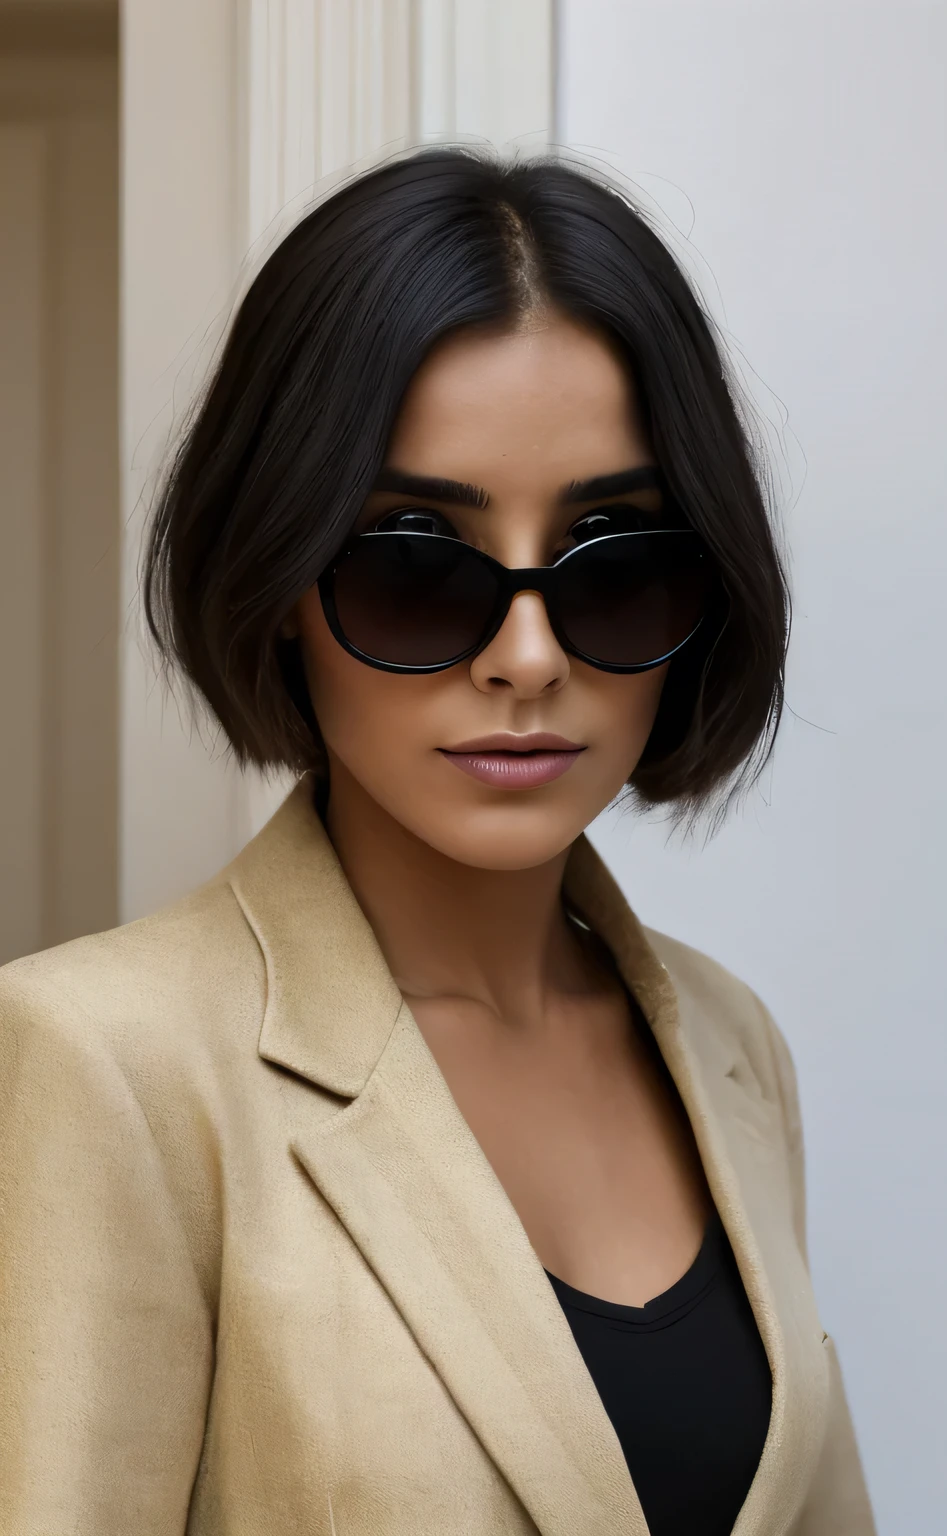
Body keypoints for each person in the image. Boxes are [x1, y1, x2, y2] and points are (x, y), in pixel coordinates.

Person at [0, 148, 875, 1536]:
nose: (526, 657)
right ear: (281, 577)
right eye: (416, 564)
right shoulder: (108, 1063)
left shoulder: (730, 1044)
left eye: (615, 559)